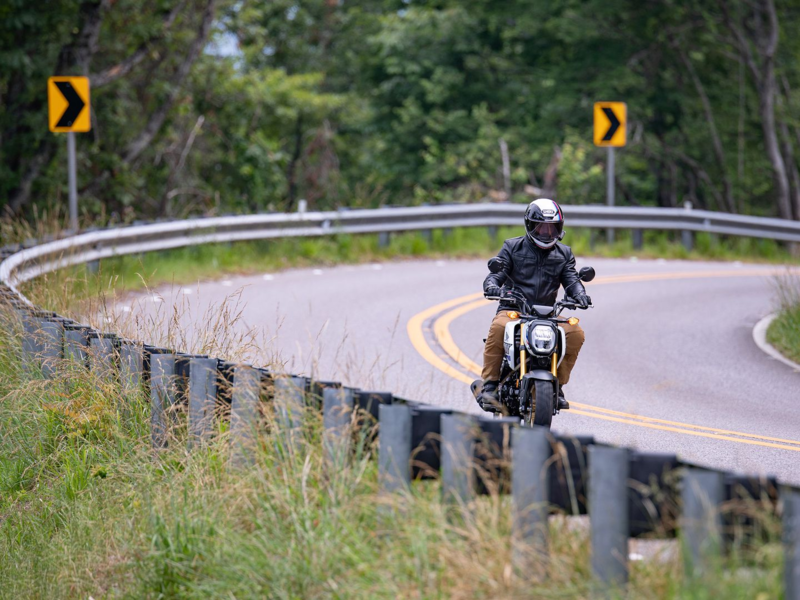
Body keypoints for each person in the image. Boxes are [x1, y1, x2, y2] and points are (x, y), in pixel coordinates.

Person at [479, 198, 591, 410]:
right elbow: (495, 275)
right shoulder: (512, 247)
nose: (547, 233)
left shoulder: (564, 254)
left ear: (560, 228)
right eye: (541, 227)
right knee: (499, 327)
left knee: (575, 332)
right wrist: (492, 285)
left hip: (548, 313)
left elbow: (572, 280)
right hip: (514, 309)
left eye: (552, 228)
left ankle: (557, 384)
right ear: (530, 225)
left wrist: (580, 294)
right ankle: (490, 385)